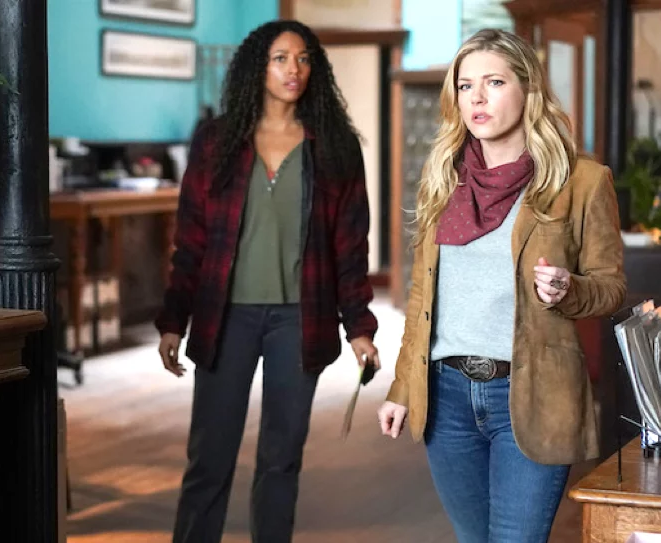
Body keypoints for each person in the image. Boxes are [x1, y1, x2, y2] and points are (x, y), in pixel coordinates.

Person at [377, 29, 626, 543]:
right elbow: (424, 299)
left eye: (494, 82)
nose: (478, 99)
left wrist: (570, 289)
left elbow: (612, 287)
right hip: (446, 396)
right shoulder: (443, 177)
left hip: (532, 395)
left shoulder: (581, 181)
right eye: (466, 86)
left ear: (528, 88)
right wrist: (402, 388)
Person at [155, 20, 380, 543]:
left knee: (281, 460)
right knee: (209, 457)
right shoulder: (216, 141)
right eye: (280, 58)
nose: (293, 69)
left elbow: (350, 246)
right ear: (258, 66)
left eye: (303, 59)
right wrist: (173, 321)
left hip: (300, 321)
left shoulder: (336, 146)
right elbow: (190, 239)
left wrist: (360, 328)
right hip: (225, 318)